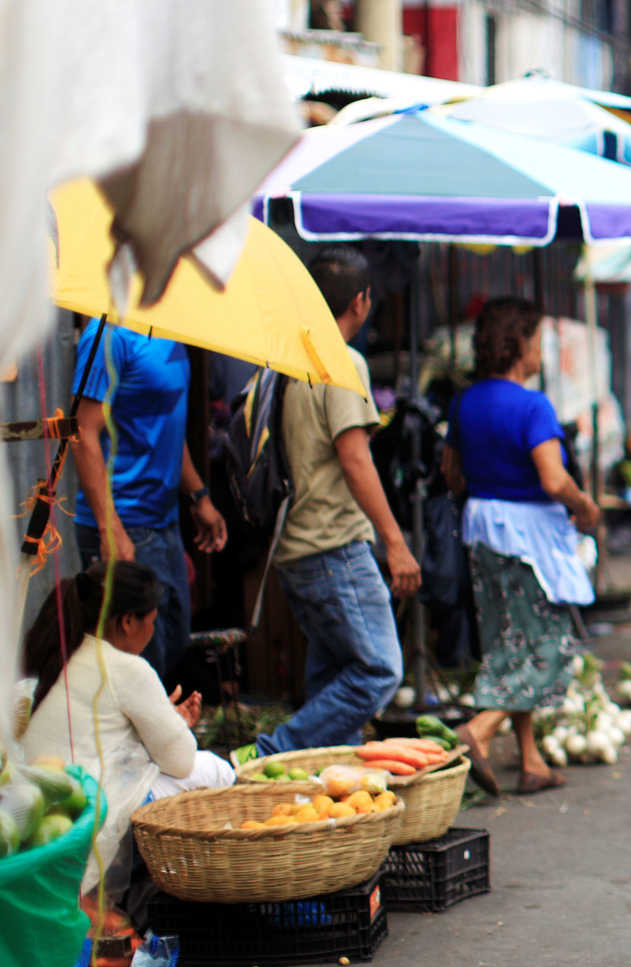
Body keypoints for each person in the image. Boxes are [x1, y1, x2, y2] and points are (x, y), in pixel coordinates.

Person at [239, 247, 421, 764]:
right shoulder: (340, 360)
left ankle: (316, 788)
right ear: (361, 303)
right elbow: (355, 458)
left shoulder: (285, 362)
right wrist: (395, 541)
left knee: (332, 675)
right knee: (380, 670)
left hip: (297, 546)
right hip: (334, 544)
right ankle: (270, 754)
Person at [444, 298, 600, 796]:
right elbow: (554, 479)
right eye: (536, 340)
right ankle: (480, 730)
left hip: (482, 531)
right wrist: (586, 507)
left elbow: (452, 473)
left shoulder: (465, 401)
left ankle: (531, 761)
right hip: (528, 539)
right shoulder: (532, 405)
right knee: (550, 647)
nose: (541, 351)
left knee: (507, 642)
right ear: (519, 344)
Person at [21, 562, 235, 906]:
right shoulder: (126, 668)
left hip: (40, 819)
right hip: (90, 821)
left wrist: (164, 717)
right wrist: (176, 723)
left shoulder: (53, 654)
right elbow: (180, 762)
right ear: (128, 621)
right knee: (214, 769)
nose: (152, 630)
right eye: (152, 621)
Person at [70, 319, 228, 680]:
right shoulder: (106, 334)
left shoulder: (171, 328)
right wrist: (110, 529)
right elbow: (82, 433)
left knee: (171, 642)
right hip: (125, 520)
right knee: (139, 664)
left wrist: (198, 494)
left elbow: (166, 423)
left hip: (164, 521)